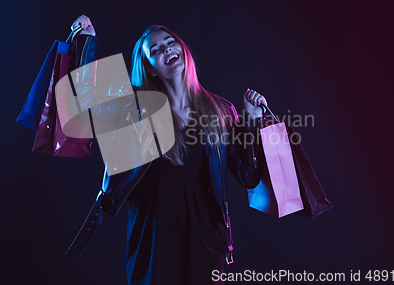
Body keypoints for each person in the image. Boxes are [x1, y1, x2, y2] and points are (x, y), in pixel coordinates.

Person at [65, 15, 268, 285]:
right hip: (153, 235)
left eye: (171, 43)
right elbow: (90, 101)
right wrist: (88, 40)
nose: (167, 50)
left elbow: (248, 177)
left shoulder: (221, 110)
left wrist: (253, 121)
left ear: (183, 50)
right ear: (150, 68)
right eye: (157, 50)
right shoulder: (135, 109)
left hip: (206, 237)